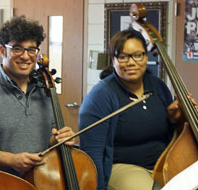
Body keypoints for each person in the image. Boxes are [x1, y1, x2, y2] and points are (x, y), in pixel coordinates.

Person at [0, 16, 75, 177]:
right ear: (2, 50)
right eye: (17, 48)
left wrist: (56, 141)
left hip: (42, 180)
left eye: (31, 49)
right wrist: (10, 159)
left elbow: (48, 139)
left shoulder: (45, 92)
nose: (26, 56)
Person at [78, 30, 185, 190]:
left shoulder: (158, 87)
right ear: (113, 60)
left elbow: (169, 135)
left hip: (163, 165)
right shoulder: (101, 95)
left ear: (146, 57)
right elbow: (92, 153)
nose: (131, 62)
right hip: (122, 168)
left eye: (137, 55)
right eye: (123, 56)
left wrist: (176, 119)